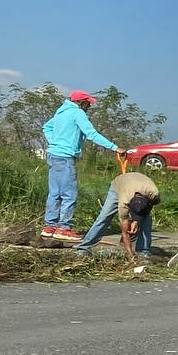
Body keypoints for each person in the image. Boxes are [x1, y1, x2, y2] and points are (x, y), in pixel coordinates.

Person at [40, 90, 119, 242]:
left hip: (53, 155)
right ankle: (64, 228)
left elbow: (46, 127)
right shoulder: (77, 113)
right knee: (69, 193)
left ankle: (49, 227)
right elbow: (91, 134)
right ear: (80, 102)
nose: (89, 106)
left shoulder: (61, 112)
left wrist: (54, 141)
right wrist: (115, 148)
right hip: (65, 156)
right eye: (88, 103)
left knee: (55, 192)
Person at [74, 171, 160, 259]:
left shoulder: (154, 194)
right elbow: (124, 232)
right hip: (119, 185)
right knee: (104, 217)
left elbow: (150, 206)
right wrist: (130, 255)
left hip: (140, 182)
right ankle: (83, 248)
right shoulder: (124, 203)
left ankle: (143, 251)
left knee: (146, 220)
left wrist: (137, 220)